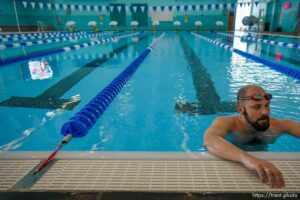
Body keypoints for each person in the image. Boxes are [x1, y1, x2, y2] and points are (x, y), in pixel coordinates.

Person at [203, 85, 300, 188]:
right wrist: (248, 159)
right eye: (257, 107)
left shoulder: (280, 126)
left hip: (263, 170)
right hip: (233, 166)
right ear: (240, 109)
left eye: (267, 105)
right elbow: (209, 140)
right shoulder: (227, 123)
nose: (265, 112)